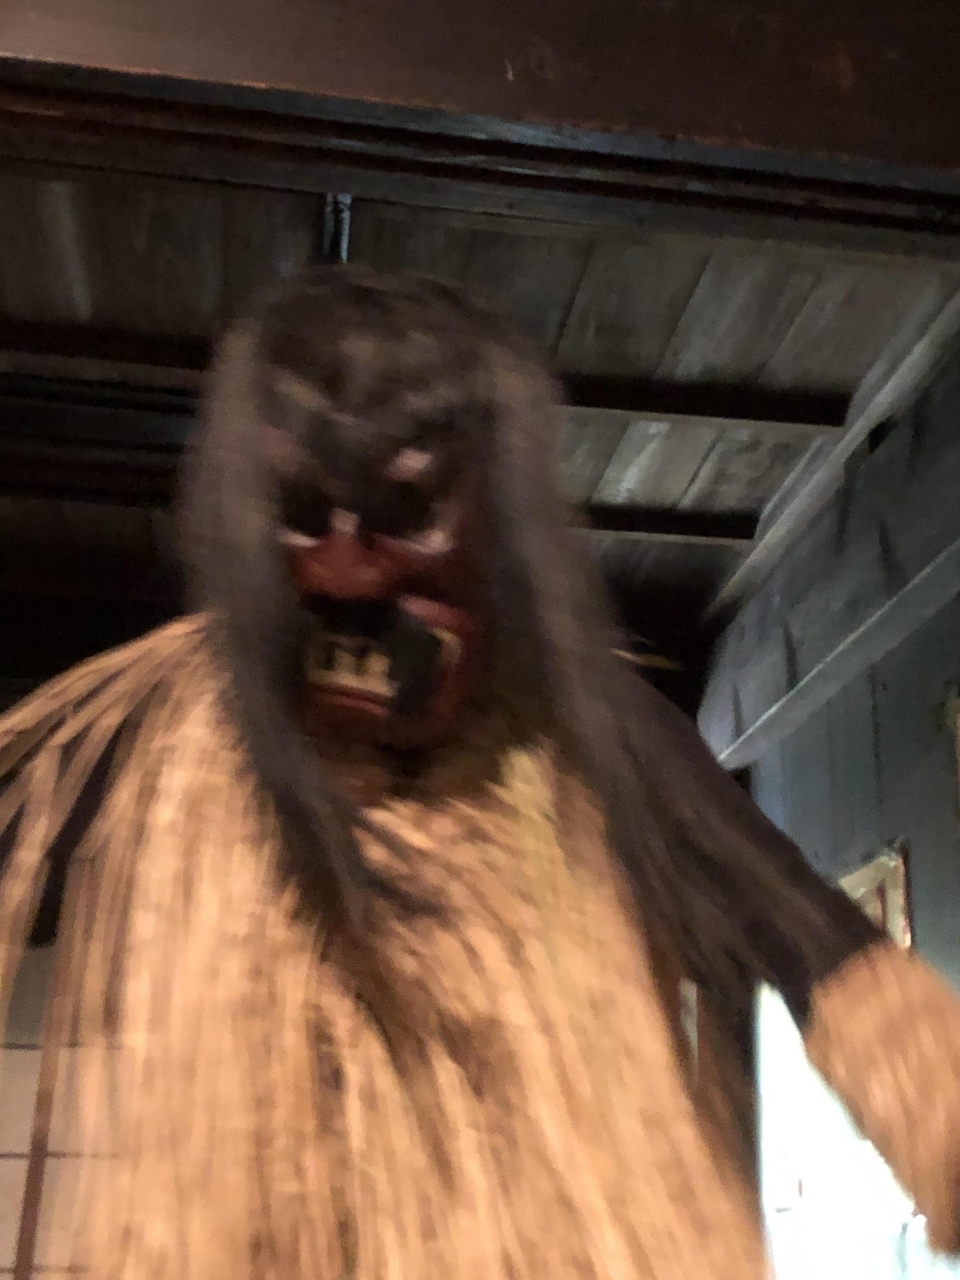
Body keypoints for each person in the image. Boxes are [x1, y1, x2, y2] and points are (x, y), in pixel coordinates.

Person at [1, 265, 958, 1280]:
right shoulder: (170, 743)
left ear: (500, 531)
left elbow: (816, 943)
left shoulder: (589, 737)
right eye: (301, 511)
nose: (343, 571)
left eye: (403, 511)